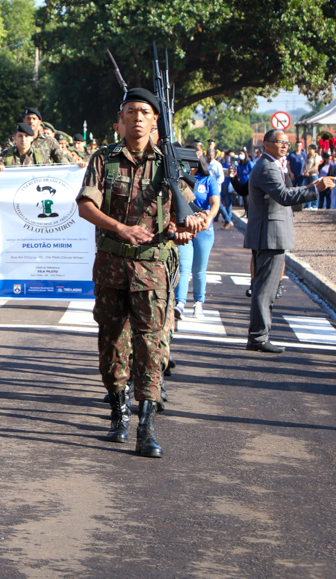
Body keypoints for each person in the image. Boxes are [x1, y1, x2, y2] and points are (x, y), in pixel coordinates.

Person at [76, 87, 202, 459]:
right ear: (121, 120)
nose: (138, 117)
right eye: (131, 111)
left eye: (145, 111)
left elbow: (184, 213)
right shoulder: (104, 160)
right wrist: (120, 228)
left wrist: (186, 226)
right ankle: (119, 414)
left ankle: (146, 428)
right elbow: (85, 206)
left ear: (155, 120)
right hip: (112, 267)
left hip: (152, 270)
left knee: (150, 347)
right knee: (111, 344)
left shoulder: (169, 163)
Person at [245, 129, 334, 353]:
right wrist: (316, 188)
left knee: (266, 288)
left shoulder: (273, 165)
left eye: (287, 143)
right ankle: (258, 337)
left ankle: (259, 336)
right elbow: (284, 196)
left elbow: (287, 193)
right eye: (279, 142)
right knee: (265, 290)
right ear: (266, 144)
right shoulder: (267, 167)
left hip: (270, 234)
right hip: (270, 235)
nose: (284, 146)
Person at [174, 155, 221, 319]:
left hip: (203, 230)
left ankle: (198, 302)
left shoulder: (208, 180)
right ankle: (180, 303)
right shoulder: (178, 177)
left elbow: (215, 203)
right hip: (185, 228)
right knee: (184, 266)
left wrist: (209, 219)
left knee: (199, 269)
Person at [302, 144, 321, 209]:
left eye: (310, 149)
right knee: (307, 190)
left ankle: (315, 205)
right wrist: (304, 171)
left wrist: (308, 171)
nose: (309, 150)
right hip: (307, 175)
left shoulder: (316, 157)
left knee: (315, 190)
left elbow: (315, 166)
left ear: (314, 150)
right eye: (308, 149)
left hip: (313, 175)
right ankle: (308, 205)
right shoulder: (307, 156)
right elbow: (304, 165)